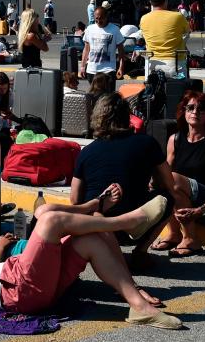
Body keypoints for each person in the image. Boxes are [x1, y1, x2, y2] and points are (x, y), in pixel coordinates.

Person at [0, 191, 183, 329]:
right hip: (16, 290)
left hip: (17, 280)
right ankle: (130, 222)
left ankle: (139, 306)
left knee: (89, 240)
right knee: (49, 220)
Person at [71, 93, 188, 269]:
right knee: (168, 198)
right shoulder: (147, 143)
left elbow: (74, 199)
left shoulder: (87, 151)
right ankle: (140, 252)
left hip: (95, 225)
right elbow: (169, 183)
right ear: (127, 116)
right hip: (133, 224)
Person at [160, 92, 205, 258]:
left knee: (174, 179)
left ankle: (191, 240)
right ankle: (174, 234)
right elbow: (165, 177)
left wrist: (200, 210)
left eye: (201, 109)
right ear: (183, 112)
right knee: (164, 180)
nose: (195, 112)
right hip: (185, 206)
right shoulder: (175, 139)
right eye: (190, 108)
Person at [139, 0, 189, 77]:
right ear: (166, 0)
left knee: (153, 90)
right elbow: (187, 32)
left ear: (150, 2)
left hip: (153, 63)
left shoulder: (144, 19)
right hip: (175, 63)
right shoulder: (178, 17)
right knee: (179, 90)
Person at [79, 7, 125, 93]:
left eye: (101, 18)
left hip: (108, 69)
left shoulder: (114, 29)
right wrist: (82, 66)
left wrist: (121, 67)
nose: (99, 21)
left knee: (108, 97)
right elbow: (86, 49)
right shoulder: (90, 29)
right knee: (94, 96)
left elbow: (121, 50)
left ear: (106, 17)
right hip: (92, 69)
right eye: (96, 19)